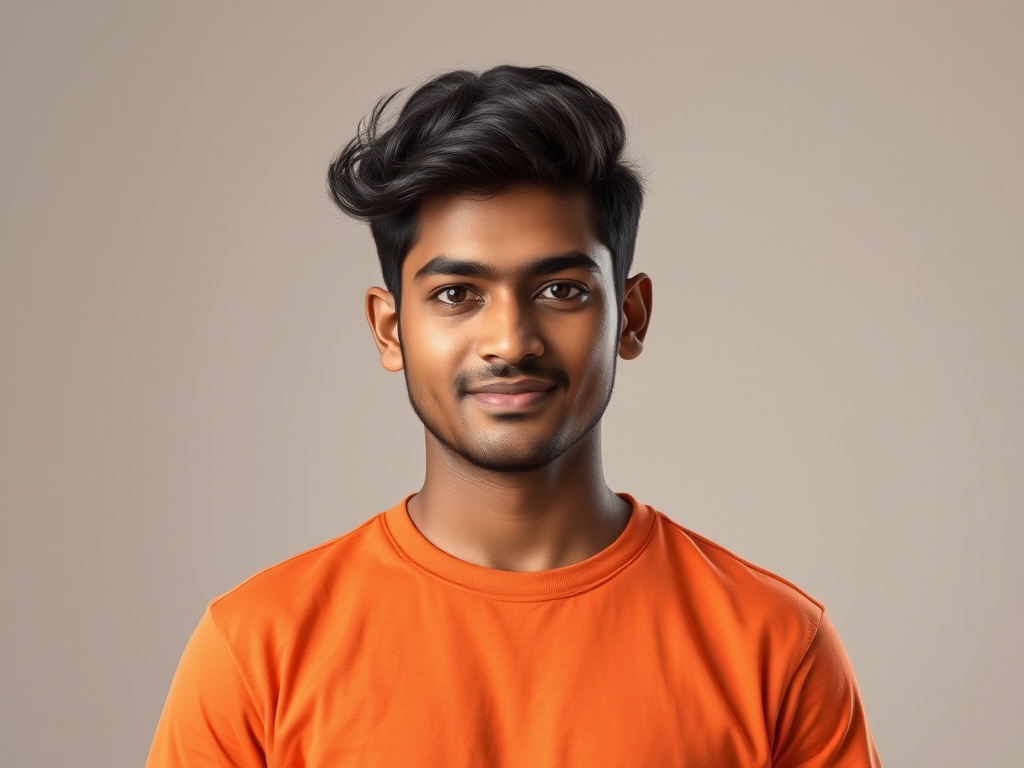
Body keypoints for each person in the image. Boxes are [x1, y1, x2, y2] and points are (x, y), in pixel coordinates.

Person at [146, 65, 881, 767]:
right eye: (456, 294)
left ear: (631, 316)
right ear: (389, 330)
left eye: (560, 289)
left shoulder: (777, 646)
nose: (510, 342)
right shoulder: (255, 650)